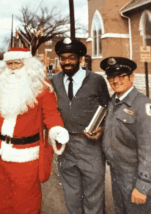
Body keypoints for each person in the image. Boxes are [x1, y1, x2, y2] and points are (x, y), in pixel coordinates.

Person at [0, 47, 69, 214]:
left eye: (17, 63)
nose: (13, 68)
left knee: (26, 202)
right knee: (0, 200)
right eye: (9, 64)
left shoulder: (41, 87)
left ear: (28, 65)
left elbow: (50, 113)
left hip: (25, 155)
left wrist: (56, 129)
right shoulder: (0, 83)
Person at [50, 38, 110, 214]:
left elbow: (108, 109)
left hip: (90, 145)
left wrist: (103, 128)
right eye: (63, 58)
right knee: (71, 194)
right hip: (66, 146)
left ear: (80, 59)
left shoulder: (96, 80)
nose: (67, 62)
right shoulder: (54, 80)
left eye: (71, 57)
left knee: (93, 194)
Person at [100, 57, 151, 214]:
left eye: (121, 76)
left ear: (131, 78)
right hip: (117, 176)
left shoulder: (144, 106)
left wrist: (142, 187)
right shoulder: (113, 102)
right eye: (111, 77)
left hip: (137, 177)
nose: (115, 81)